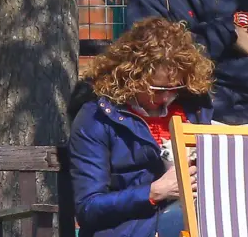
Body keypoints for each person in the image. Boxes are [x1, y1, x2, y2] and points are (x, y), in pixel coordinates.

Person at [68, 17, 215, 237]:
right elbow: (88, 208)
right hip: (130, 228)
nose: (166, 97)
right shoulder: (96, 117)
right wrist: (154, 192)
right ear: (132, 77)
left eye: (175, 88)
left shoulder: (193, 108)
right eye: (157, 89)